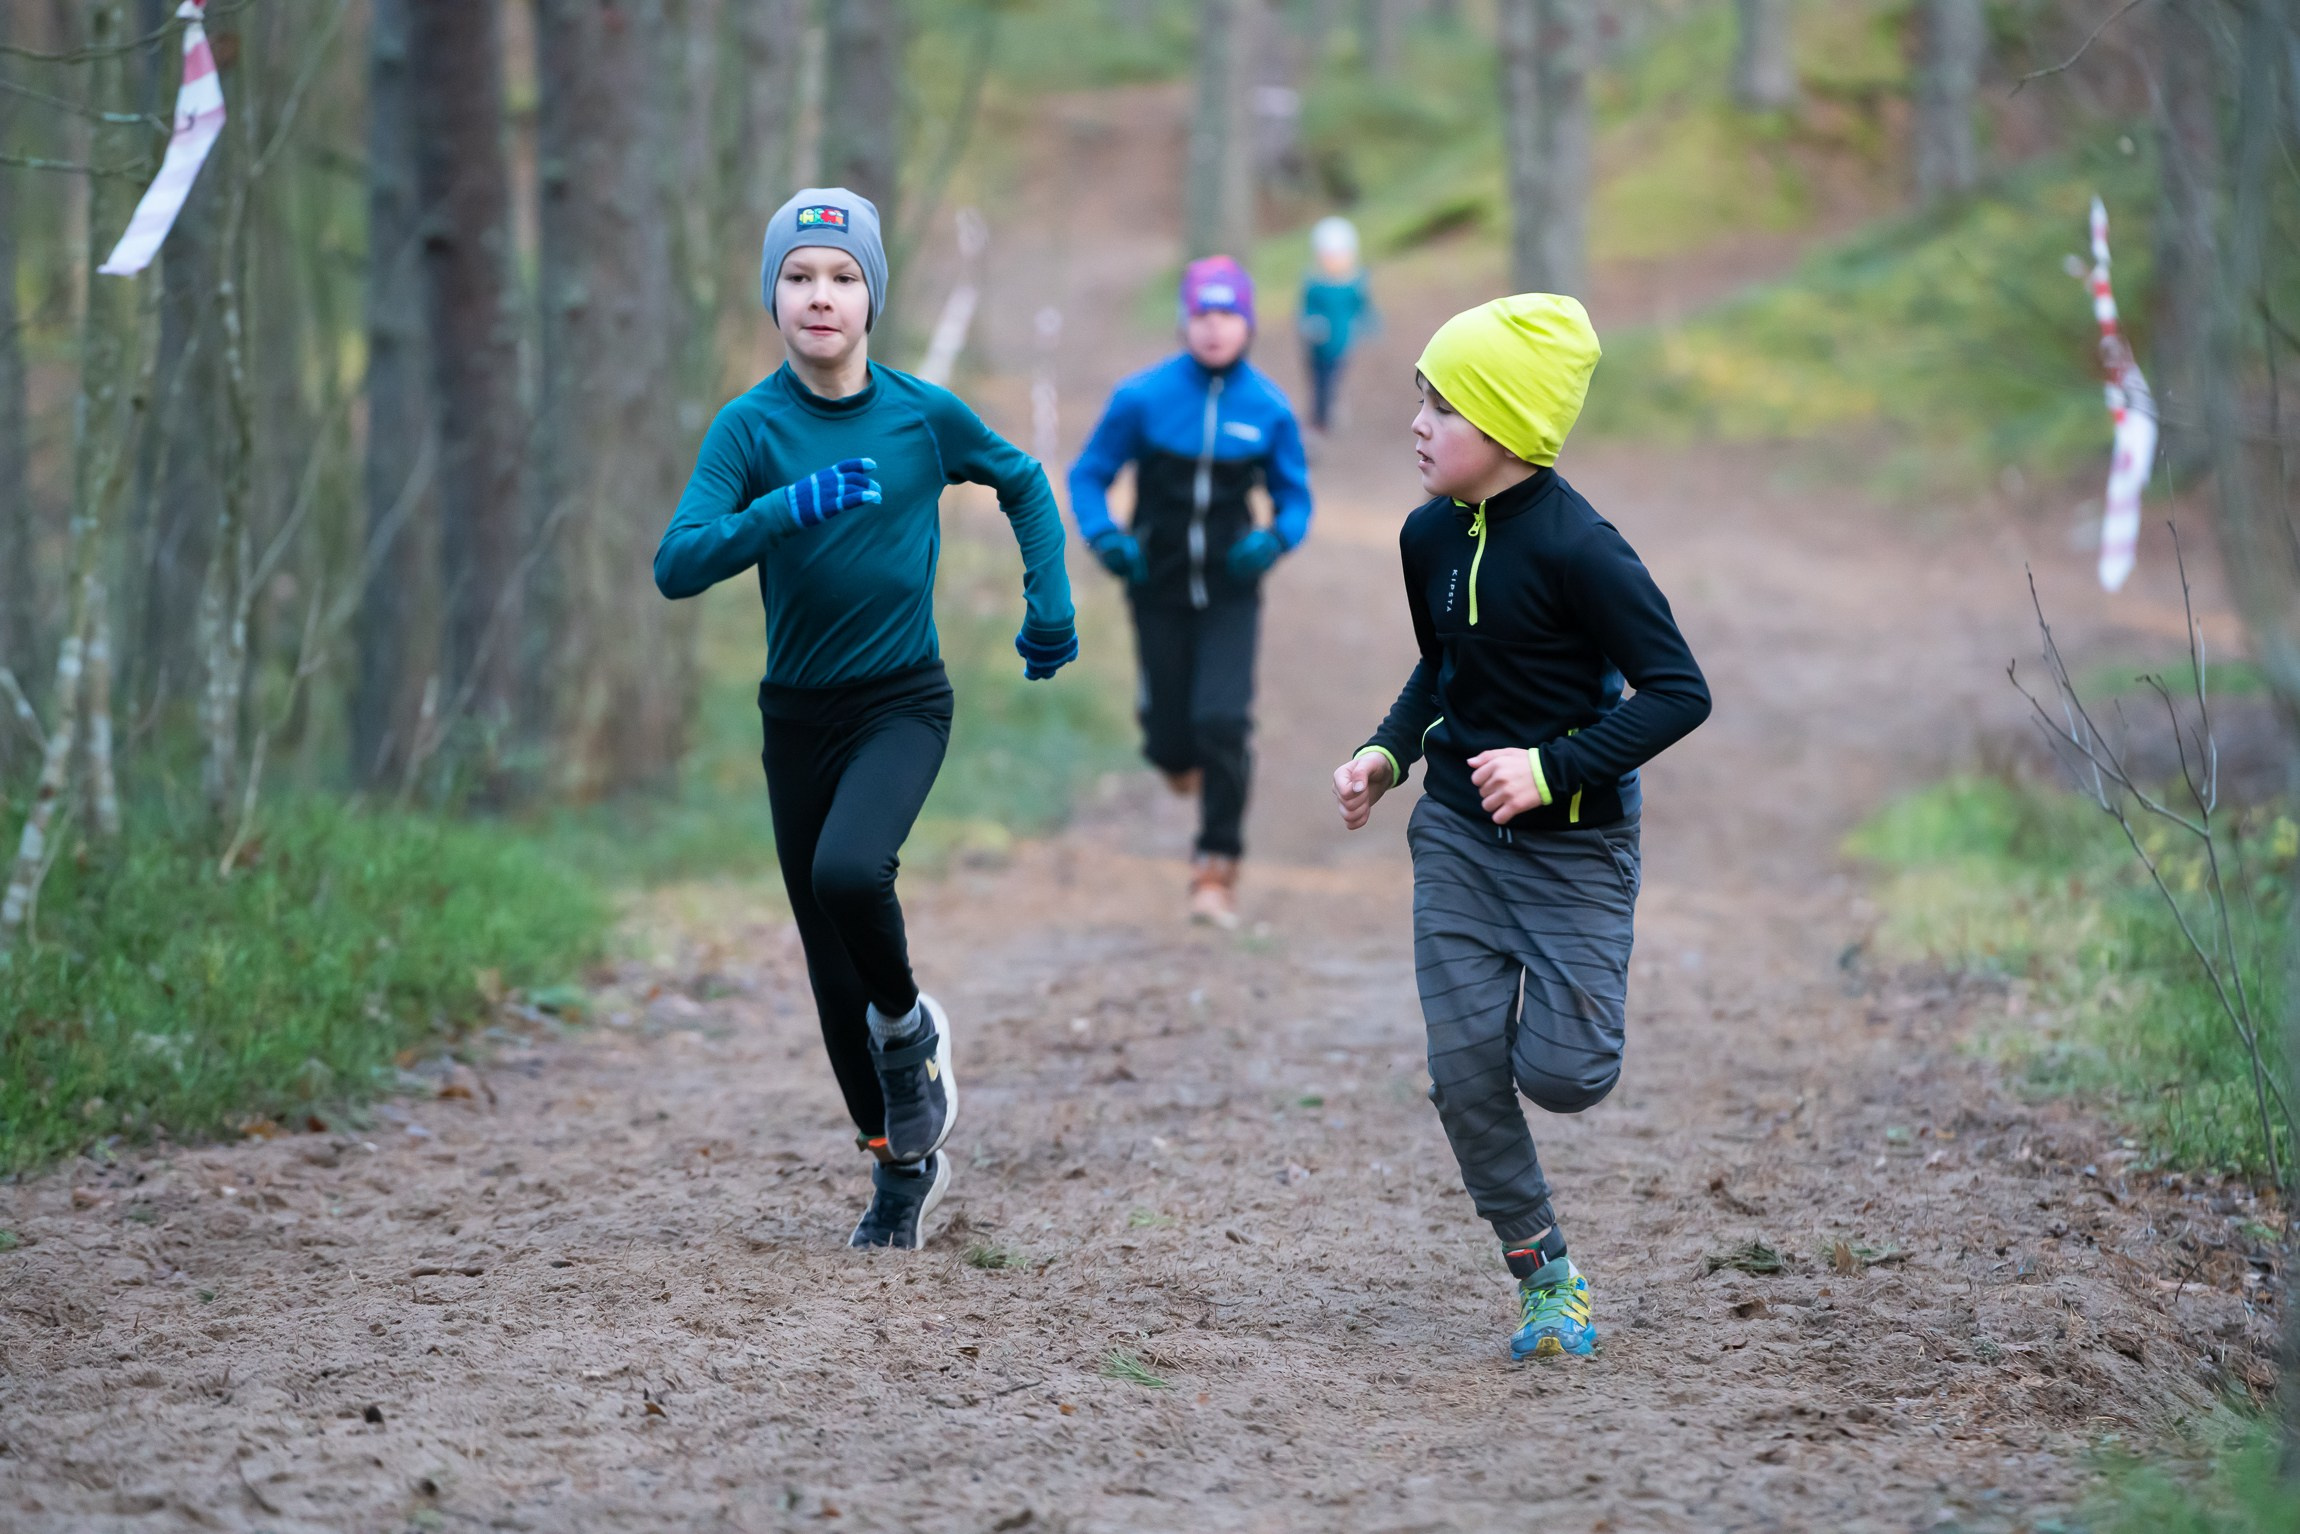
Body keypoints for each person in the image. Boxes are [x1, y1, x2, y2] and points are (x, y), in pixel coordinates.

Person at [654, 188, 1077, 1250]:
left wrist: (1049, 599)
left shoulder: (919, 414)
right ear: (774, 297)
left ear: (871, 295)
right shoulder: (749, 428)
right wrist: (781, 508)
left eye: (841, 277)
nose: (819, 295)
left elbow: (1020, 479)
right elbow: (676, 563)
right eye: (797, 277)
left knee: (851, 875)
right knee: (824, 960)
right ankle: (899, 1162)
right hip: (794, 718)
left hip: (900, 701)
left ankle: (911, 1027)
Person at [1330, 295, 1710, 1360]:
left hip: (1576, 852)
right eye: (1418, 397)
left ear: (1502, 427)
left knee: (1563, 1076)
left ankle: (1538, 1015)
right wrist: (1385, 753)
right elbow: (1441, 671)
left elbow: (1677, 692)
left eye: (1440, 405)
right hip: (1453, 835)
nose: (1416, 422)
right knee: (1461, 1072)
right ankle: (1543, 1273)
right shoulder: (1424, 536)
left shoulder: (1583, 550)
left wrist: (1552, 768)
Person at [1068, 256, 1313, 928]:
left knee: (1223, 723)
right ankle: (1178, 762)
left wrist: (1276, 539)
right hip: (1157, 586)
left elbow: (1295, 499)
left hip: (1233, 590)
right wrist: (1106, 537)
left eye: (1227, 314)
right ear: (1184, 321)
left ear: (1249, 324)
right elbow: (1088, 475)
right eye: (1201, 315)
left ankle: (1216, 867)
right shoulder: (1142, 399)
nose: (1213, 329)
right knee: (1172, 740)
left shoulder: (1267, 409)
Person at [1297, 216, 1377, 435]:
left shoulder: (1353, 284)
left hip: (1341, 342)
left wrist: (1370, 324)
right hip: (1316, 346)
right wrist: (1310, 324)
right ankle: (1318, 416)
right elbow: (1307, 309)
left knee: (1334, 378)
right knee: (1318, 380)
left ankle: (1330, 411)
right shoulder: (1314, 284)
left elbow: (1362, 307)